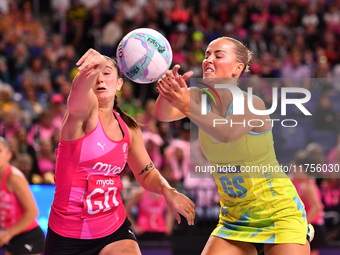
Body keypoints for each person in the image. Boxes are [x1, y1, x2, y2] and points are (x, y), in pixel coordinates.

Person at [156, 37, 313, 255]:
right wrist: (168, 91)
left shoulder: (252, 104)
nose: (208, 60)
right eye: (207, 54)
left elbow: (227, 133)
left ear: (237, 68)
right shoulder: (198, 98)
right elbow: (162, 115)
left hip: (279, 213)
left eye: (218, 55)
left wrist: (184, 104)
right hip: (235, 218)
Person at [44, 48, 195, 255]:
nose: (100, 79)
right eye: (95, 74)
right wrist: (89, 68)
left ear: (119, 84)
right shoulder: (80, 117)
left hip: (113, 227)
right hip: (68, 234)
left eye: (106, 73)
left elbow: (147, 172)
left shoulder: (129, 129)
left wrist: (168, 191)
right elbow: (78, 93)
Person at [0, 136, 45, 255]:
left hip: (28, 236)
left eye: (0, 151)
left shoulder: (13, 177)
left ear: (9, 155)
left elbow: (33, 212)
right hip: (11, 235)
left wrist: (8, 234)